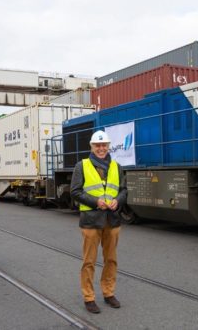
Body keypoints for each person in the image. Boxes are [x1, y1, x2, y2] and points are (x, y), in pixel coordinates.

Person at [70, 130, 128, 314]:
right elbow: (75, 191)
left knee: (111, 260)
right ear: (92, 147)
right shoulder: (82, 166)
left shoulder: (116, 167)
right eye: (98, 145)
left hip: (112, 220)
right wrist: (97, 202)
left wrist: (117, 200)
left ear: (108, 146)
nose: (101, 148)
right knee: (89, 261)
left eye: (104, 145)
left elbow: (124, 190)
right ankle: (89, 297)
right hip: (91, 221)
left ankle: (109, 293)